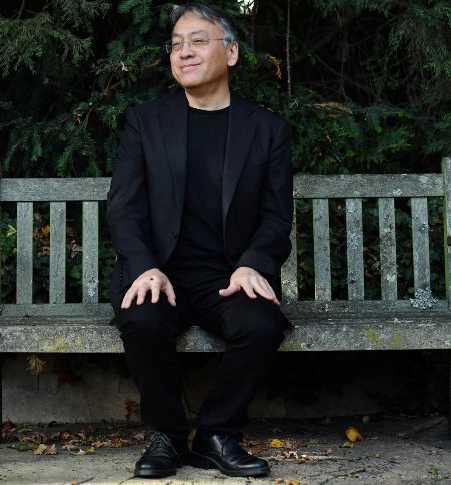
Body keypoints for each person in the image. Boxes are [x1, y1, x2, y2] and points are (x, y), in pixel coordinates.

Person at [106, 2, 293, 478]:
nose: (183, 52)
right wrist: (143, 266)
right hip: (159, 273)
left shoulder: (266, 130)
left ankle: (216, 434)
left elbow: (276, 217)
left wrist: (253, 263)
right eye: (175, 44)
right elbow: (124, 207)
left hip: (227, 276)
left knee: (262, 325)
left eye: (197, 41)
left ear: (230, 53)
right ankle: (167, 435)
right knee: (144, 321)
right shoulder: (145, 122)